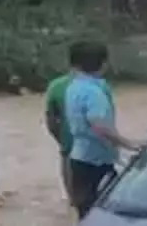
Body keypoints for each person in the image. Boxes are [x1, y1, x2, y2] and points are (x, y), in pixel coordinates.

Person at [65, 41, 140, 219]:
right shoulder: (94, 92)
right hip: (97, 161)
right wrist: (129, 144)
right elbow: (99, 125)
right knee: (105, 213)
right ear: (104, 64)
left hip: (79, 157)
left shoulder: (73, 87)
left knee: (85, 213)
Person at [44, 59, 112, 206]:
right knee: (100, 202)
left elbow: (50, 120)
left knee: (75, 202)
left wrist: (62, 142)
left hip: (69, 147)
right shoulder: (100, 86)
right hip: (96, 149)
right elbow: (106, 120)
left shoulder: (55, 86)